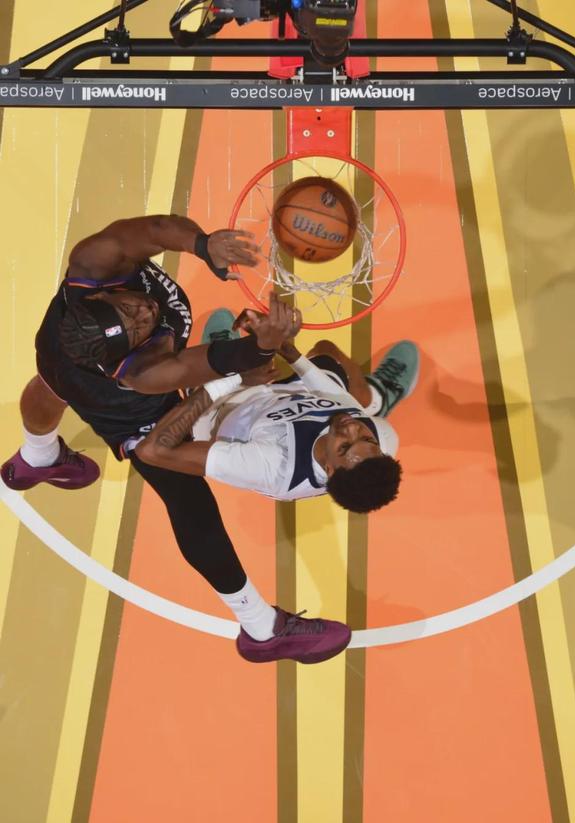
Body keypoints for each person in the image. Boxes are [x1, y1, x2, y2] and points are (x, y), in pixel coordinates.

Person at [1, 215, 351, 664]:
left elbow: (150, 231)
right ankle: (261, 628)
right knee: (188, 499)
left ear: (102, 292)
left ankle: (38, 458)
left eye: (129, 308)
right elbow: (201, 365)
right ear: (129, 352)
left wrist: (202, 245)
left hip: (59, 345)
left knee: (52, 382)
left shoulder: (93, 262)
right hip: (124, 406)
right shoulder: (145, 373)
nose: (144, 313)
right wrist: (262, 347)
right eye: (136, 329)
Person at [135, 307, 420, 513]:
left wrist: (233, 378)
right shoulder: (379, 438)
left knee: (198, 375)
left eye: (345, 446)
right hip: (282, 400)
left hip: (224, 412)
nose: (352, 427)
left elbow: (152, 451)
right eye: (366, 438)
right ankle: (378, 399)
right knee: (327, 351)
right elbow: (336, 399)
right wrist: (284, 347)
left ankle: (219, 360)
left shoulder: (271, 466)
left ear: (330, 469)